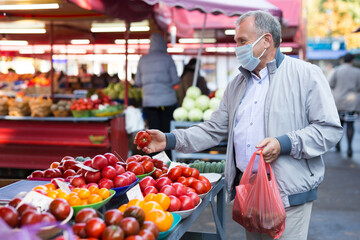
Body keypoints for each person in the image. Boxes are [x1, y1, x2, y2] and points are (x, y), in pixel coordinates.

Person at [136, 11, 343, 240]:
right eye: (236, 42)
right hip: (249, 192)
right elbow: (213, 128)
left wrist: (283, 143)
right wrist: (169, 139)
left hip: (288, 196)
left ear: (266, 40)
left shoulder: (306, 75)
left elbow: (329, 129)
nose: (237, 48)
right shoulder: (237, 84)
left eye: (242, 41)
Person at [135, 33, 180, 133]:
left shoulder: (143, 60)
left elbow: (137, 81)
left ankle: (156, 149)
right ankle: (167, 149)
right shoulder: (168, 59)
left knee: (153, 133)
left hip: (149, 103)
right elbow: (176, 80)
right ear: (163, 44)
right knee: (167, 132)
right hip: (168, 102)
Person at [329, 53, 360, 157]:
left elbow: (330, 84)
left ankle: (338, 145)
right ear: (352, 61)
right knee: (350, 125)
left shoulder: (337, 71)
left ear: (343, 60)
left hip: (338, 103)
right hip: (352, 103)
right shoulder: (357, 72)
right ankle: (350, 147)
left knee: (339, 125)